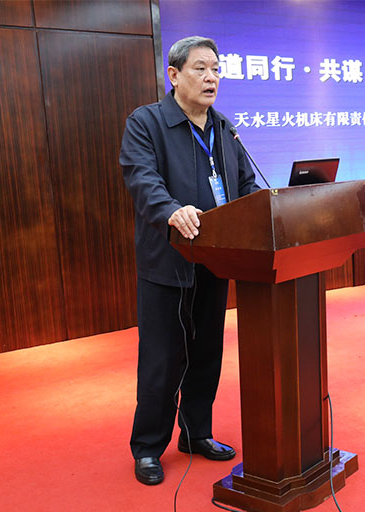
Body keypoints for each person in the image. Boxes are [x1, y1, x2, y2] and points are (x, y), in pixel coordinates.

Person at [119, 36, 259, 486]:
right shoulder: (147, 122)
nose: (211, 77)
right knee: (162, 359)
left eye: (216, 69)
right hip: (168, 262)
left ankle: (197, 433)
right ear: (174, 75)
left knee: (206, 354)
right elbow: (142, 179)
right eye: (201, 68)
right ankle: (147, 447)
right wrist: (171, 211)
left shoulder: (224, 128)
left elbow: (245, 185)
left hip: (215, 261)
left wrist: (273, 207)